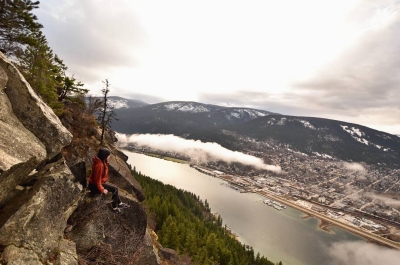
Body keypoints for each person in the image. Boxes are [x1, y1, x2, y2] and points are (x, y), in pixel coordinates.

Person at [88, 148, 130, 214]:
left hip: (96, 183)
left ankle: (120, 203)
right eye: (108, 155)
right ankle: (115, 208)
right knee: (115, 189)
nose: (109, 156)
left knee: (115, 189)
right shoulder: (99, 165)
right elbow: (97, 180)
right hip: (94, 186)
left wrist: (106, 161)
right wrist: (102, 190)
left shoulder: (101, 162)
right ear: (104, 156)